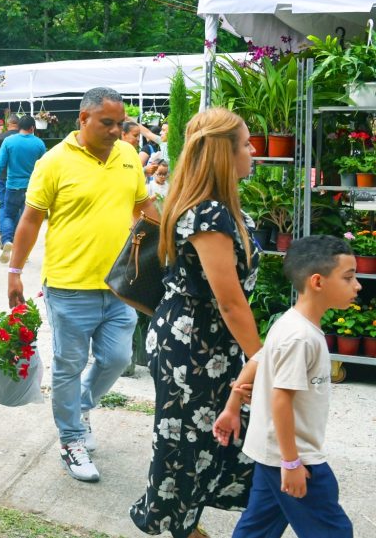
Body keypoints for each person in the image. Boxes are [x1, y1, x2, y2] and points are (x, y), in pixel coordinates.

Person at [7, 87, 157, 483]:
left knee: (118, 359)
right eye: (106, 123)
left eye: (119, 123)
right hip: (70, 286)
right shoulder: (53, 161)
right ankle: (71, 439)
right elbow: (30, 220)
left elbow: (144, 206)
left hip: (121, 284)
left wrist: (163, 247)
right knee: (68, 366)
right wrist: (14, 272)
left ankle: (81, 407)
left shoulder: (128, 156)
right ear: (83, 119)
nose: (114, 130)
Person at [130, 108, 261, 537]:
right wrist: (262, 357)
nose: (253, 149)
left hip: (203, 342)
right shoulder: (208, 215)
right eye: (245, 143)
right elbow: (229, 302)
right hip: (195, 344)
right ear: (223, 153)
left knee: (200, 436)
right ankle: (172, 522)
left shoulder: (213, 208)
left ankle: (181, 520)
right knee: (188, 440)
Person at [214, 236, 356, 538]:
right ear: (317, 282)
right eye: (348, 277)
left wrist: (232, 406)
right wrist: (291, 462)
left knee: (257, 529)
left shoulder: (290, 324)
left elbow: (258, 360)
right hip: (295, 456)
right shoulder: (300, 338)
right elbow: (281, 400)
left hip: (273, 453)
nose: (356, 285)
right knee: (334, 532)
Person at [0, 115, 46, 264]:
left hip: (12, 187)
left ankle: (6, 241)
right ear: (32, 128)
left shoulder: (9, 142)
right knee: (26, 220)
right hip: (31, 189)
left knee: (8, 215)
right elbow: (45, 168)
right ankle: (24, 252)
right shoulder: (39, 144)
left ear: (19, 127)